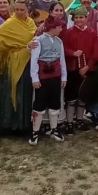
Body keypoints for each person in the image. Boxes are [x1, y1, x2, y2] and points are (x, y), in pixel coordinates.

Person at [0, 0, 37, 132]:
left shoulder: (31, 22)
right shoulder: (10, 23)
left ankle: (26, 124)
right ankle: (13, 125)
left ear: (28, 10)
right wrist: (13, 46)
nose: (19, 12)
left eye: (22, 9)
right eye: (17, 9)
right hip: (14, 62)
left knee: (26, 93)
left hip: (28, 62)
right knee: (15, 93)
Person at [29, 15, 68, 145]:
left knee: (55, 103)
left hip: (55, 77)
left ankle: (54, 129)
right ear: (53, 27)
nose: (61, 29)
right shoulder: (38, 40)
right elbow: (34, 61)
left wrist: (64, 77)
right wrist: (34, 78)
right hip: (42, 77)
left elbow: (62, 60)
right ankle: (35, 132)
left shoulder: (59, 41)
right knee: (39, 103)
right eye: (59, 27)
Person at [62, 6, 98, 134]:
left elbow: (96, 51)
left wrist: (87, 66)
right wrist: (73, 53)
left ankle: (79, 119)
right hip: (72, 69)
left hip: (87, 69)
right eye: (77, 17)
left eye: (81, 17)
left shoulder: (92, 32)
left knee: (83, 96)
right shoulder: (68, 32)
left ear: (86, 18)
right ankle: (69, 122)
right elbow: (64, 49)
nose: (79, 20)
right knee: (71, 97)